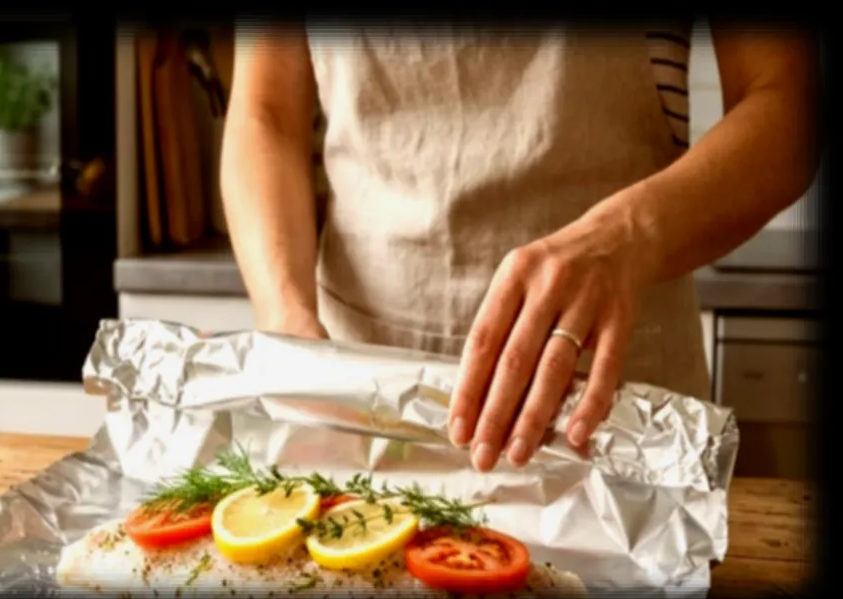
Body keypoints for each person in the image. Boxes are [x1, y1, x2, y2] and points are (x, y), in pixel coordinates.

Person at [219, 21, 818, 472]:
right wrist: (285, 314)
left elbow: (789, 101)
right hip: (356, 389)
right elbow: (265, 113)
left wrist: (627, 234)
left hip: (610, 406)